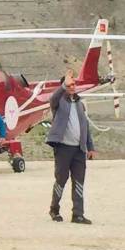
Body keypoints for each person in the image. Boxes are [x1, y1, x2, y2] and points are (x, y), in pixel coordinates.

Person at [46, 69, 96, 224]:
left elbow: (85, 126)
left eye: (74, 84)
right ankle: (54, 210)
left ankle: (78, 214)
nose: (72, 86)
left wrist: (90, 147)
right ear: (64, 86)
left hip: (79, 150)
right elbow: (53, 98)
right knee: (61, 179)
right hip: (63, 148)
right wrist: (63, 85)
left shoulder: (80, 104)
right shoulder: (59, 102)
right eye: (69, 84)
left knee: (79, 181)